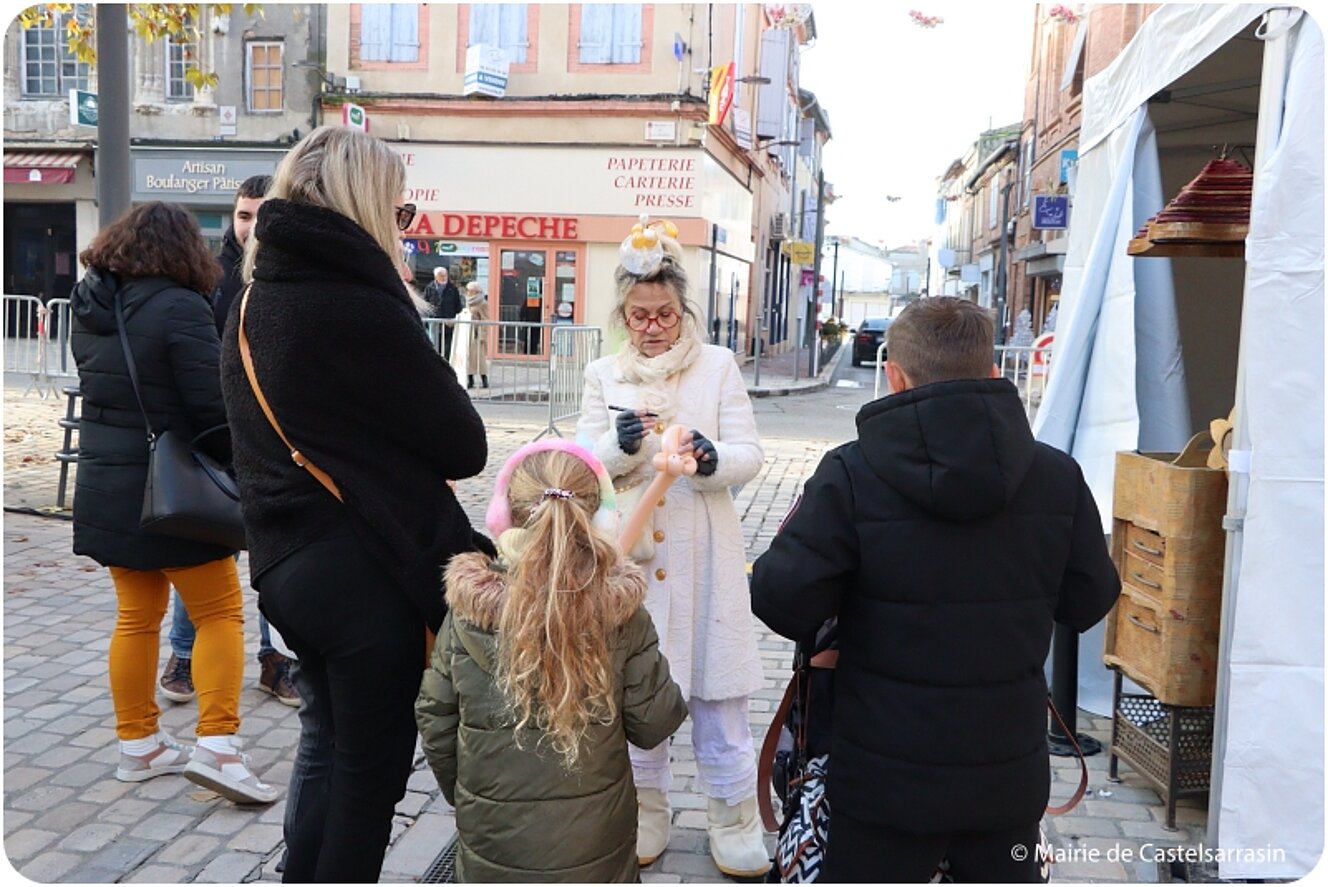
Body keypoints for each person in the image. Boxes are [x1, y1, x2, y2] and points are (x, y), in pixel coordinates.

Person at [749, 297, 1121, 882]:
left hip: (881, 781)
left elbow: (780, 599)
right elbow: (1089, 599)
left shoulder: (850, 473)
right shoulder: (1057, 476)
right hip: (1006, 775)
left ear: (894, 376)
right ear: (994, 372)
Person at [218, 125, 489, 882]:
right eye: (400, 213)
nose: (404, 228)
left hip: (284, 569)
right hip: (364, 576)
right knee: (366, 782)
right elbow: (463, 443)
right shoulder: (358, 306)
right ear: (364, 205)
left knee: (330, 754)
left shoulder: (251, 300)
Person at [575, 220, 769, 877]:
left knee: (718, 690)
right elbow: (580, 462)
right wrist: (621, 445)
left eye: (663, 313)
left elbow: (750, 454)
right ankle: (645, 809)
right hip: (632, 558)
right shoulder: (603, 372)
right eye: (639, 315)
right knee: (637, 688)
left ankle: (733, 816)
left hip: (706, 553)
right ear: (622, 315)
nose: (652, 326)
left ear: (682, 308)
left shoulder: (717, 366)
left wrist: (713, 457)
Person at [69, 201, 279, 805]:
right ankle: (218, 747)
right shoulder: (179, 304)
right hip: (171, 488)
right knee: (219, 613)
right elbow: (209, 405)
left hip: (107, 484)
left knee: (136, 617)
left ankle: (139, 746)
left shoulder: (91, 307)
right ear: (183, 249)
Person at [416, 440, 688, 882]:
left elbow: (435, 719)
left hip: (493, 847)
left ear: (503, 518)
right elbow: (656, 722)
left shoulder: (469, 613)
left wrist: (469, 797)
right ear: (601, 520)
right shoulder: (620, 613)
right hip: (597, 847)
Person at [160, 173, 299, 709]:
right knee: (205, 548)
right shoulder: (210, 276)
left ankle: (276, 660)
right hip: (216, 435)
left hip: (274, 440)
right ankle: (185, 654)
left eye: (261, 215)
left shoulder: (291, 277)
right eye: (243, 215)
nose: (250, 226)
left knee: (274, 553)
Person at [423, 265, 463, 358]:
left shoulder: (452, 288)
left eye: (445, 275)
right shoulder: (430, 287)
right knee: (434, 345)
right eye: (441, 275)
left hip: (449, 321)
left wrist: (455, 319)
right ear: (436, 277)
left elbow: (457, 305)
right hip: (434, 321)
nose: (444, 277)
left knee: (447, 346)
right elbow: (425, 304)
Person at [462, 281, 489, 390]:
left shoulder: (482, 303)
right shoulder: (468, 302)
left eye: (470, 291)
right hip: (468, 331)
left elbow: (485, 319)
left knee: (479, 357)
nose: (468, 292)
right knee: (468, 357)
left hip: (476, 332)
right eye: (468, 290)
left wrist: (483, 335)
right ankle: (470, 379)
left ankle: (484, 379)